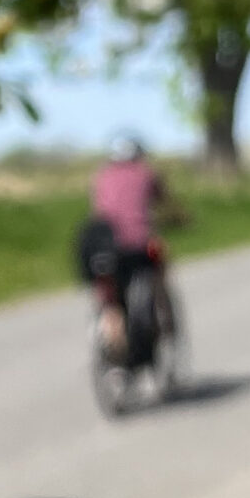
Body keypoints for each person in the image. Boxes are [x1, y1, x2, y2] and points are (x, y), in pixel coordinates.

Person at [83, 136, 188, 362]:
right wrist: (181, 219)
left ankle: (109, 336)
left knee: (109, 294)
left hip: (103, 246)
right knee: (159, 277)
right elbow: (166, 203)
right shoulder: (147, 173)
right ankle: (165, 325)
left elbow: (98, 211)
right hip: (140, 245)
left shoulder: (101, 177)